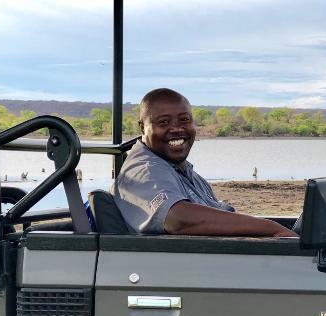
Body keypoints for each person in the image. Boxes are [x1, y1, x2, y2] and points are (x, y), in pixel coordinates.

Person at [112, 88, 296, 237]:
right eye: (164, 122)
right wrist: (272, 229)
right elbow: (178, 219)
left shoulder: (180, 170)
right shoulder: (145, 170)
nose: (176, 128)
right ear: (143, 127)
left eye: (184, 120)